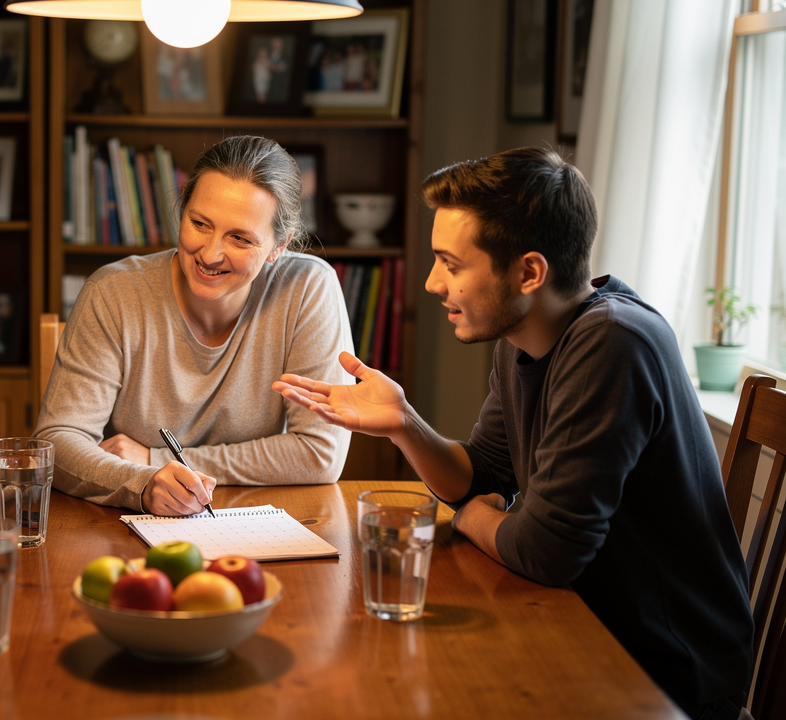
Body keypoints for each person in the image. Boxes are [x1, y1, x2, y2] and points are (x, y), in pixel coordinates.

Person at [273, 147, 753, 720]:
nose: (431, 283)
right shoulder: (523, 336)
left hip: (664, 673)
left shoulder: (613, 343)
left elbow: (546, 552)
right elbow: (481, 472)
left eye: (451, 264)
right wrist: (403, 422)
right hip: (585, 631)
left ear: (529, 272)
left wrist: (472, 515)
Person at [36, 135, 353, 517]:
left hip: (250, 522)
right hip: (127, 520)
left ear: (278, 246)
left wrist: (156, 459)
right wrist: (142, 484)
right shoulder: (113, 293)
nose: (210, 253)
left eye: (239, 238)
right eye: (200, 223)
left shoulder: (307, 288)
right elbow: (58, 440)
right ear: (182, 211)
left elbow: (320, 453)